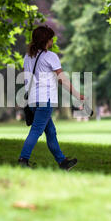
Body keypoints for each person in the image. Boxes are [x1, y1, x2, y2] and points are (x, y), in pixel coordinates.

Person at [18, 25, 84, 171]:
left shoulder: (28, 57)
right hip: (45, 100)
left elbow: (25, 78)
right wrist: (77, 95)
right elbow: (62, 79)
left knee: (51, 132)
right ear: (46, 40)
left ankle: (63, 162)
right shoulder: (50, 56)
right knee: (36, 130)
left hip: (33, 101)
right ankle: (23, 160)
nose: (53, 40)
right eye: (51, 38)